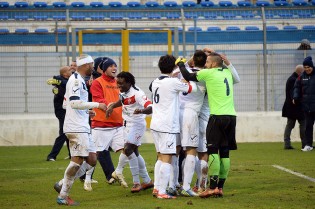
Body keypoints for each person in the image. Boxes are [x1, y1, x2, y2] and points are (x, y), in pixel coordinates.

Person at [176, 52, 238, 198]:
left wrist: (180, 63)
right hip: (231, 116)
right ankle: (220, 187)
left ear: (214, 64)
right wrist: (228, 62)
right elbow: (237, 77)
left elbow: (188, 75)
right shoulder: (228, 73)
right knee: (225, 153)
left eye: (208, 61)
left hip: (216, 117)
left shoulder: (208, 74)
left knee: (213, 152)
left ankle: (212, 187)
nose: (206, 64)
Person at [55, 54, 107, 206]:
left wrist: (86, 111)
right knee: (77, 161)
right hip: (76, 127)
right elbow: (75, 103)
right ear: (85, 65)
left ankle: (62, 183)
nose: (93, 67)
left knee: (92, 159)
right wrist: (96, 105)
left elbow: (67, 104)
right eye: (91, 64)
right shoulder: (76, 81)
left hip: (82, 125)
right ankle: (63, 195)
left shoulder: (78, 80)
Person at [150, 54, 197, 199]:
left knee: (160, 157)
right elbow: (191, 88)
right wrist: (184, 73)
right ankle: (162, 192)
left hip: (155, 124)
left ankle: (157, 188)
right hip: (167, 126)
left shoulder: (155, 81)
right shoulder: (172, 82)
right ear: (174, 67)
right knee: (167, 158)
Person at [106, 71, 154, 193]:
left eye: (121, 84)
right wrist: (112, 106)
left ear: (129, 82)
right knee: (134, 152)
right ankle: (147, 181)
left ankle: (136, 182)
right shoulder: (123, 91)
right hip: (126, 124)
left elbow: (150, 107)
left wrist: (142, 111)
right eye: (118, 84)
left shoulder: (137, 94)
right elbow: (122, 101)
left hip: (137, 125)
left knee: (127, 150)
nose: (119, 86)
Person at [90, 57, 129, 188]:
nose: (114, 68)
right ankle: (75, 178)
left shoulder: (119, 82)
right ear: (104, 69)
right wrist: (111, 106)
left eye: (115, 66)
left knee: (129, 150)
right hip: (102, 124)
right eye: (111, 66)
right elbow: (99, 99)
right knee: (94, 155)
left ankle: (119, 173)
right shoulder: (97, 82)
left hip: (118, 123)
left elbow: (124, 98)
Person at [79, 57, 116, 191]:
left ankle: (109, 175)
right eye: (108, 66)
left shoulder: (100, 79)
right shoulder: (92, 80)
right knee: (96, 148)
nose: (112, 68)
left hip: (94, 113)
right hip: (93, 114)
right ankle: (84, 175)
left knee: (100, 148)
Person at [46, 66, 73, 161]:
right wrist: (58, 83)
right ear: (65, 74)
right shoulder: (60, 80)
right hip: (61, 110)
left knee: (67, 132)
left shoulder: (65, 80)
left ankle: (71, 154)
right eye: (69, 70)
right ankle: (51, 156)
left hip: (68, 110)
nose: (71, 70)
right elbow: (62, 83)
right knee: (64, 132)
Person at [293, 56, 315, 152]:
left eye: (308, 67)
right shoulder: (301, 76)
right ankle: (308, 145)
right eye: (305, 67)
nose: (307, 69)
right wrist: (295, 97)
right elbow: (296, 87)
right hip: (307, 106)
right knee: (308, 127)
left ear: (312, 66)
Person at [282, 65, 305, 150]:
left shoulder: (291, 78)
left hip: (291, 108)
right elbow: (294, 95)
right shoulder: (294, 80)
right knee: (302, 124)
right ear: (300, 72)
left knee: (290, 125)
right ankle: (305, 143)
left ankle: (287, 144)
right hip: (295, 107)